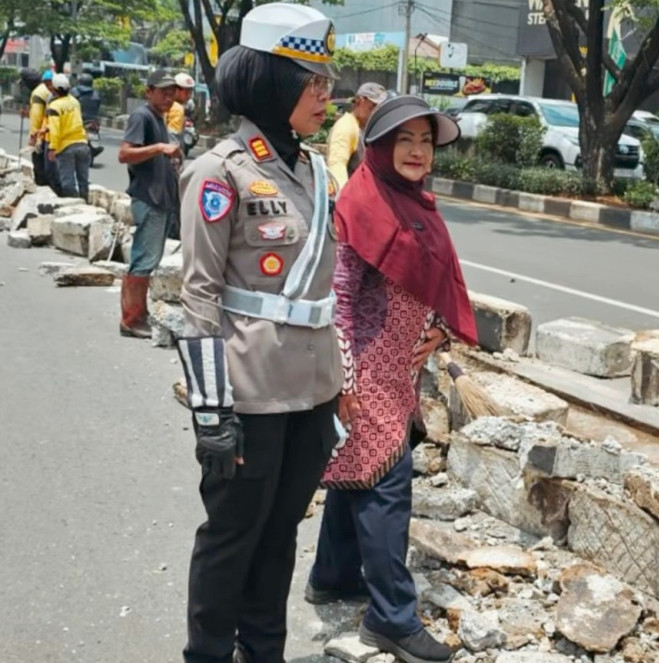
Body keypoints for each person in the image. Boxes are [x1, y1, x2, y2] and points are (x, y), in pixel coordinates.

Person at [175, 4, 342, 662]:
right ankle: (209, 652)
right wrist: (212, 413)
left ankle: (262, 650)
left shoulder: (315, 172)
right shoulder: (220, 172)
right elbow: (198, 296)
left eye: (328, 80)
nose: (325, 94)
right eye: (311, 79)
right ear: (270, 80)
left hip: (312, 394)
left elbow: (325, 293)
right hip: (249, 396)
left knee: (280, 537)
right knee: (232, 537)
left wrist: (342, 388)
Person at [308, 95, 479, 663]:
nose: (417, 150)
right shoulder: (362, 201)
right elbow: (340, 300)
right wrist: (346, 381)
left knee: (361, 468)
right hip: (365, 370)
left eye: (426, 140)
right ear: (377, 147)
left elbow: (427, 278)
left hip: (400, 367)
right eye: (403, 139)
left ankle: (332, 575)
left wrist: (439, 331)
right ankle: (392, 618)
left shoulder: (415, 202)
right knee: (388, 487)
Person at [117, 70, 180, 339]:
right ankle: (132, 319)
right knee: (144, 260)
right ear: (149, 91)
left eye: (172, 92)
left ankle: (137, 316)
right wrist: (159, 149)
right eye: (164, 91)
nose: (169, 97)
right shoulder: (142, 116)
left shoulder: (158, 118)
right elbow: (124, 154)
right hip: (149, 199)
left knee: (149, 258)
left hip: (160, 200)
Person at [326, 81, 387, 188]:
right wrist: (342, 198)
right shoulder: (346, 127)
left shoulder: (366, 128)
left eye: (379, 108)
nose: (375, 113)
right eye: (372, 107)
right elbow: (337, 166)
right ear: (359, 101)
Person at [46, 74, 91, 201]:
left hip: (66, 148)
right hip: (82, 144)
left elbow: (55, 130)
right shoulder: (75, 102)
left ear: (54, 89)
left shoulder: (55, 106)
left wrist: (52, 148)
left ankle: (76, 207)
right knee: (83, 181)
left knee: (68, 183)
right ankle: (85, 204)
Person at [27, 70, 54, 187]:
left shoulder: (38, 93)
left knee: (39, 167)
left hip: (42, 135)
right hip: (55, 134)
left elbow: (37, 117)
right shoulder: (55, 92)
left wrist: (34, 137)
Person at [166, 72, 195, 147]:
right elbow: (173, 137)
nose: (189, 95)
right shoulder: (177, 108)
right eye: (186, 91)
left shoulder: (166, 103)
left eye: (191, 91)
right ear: (176, 89)